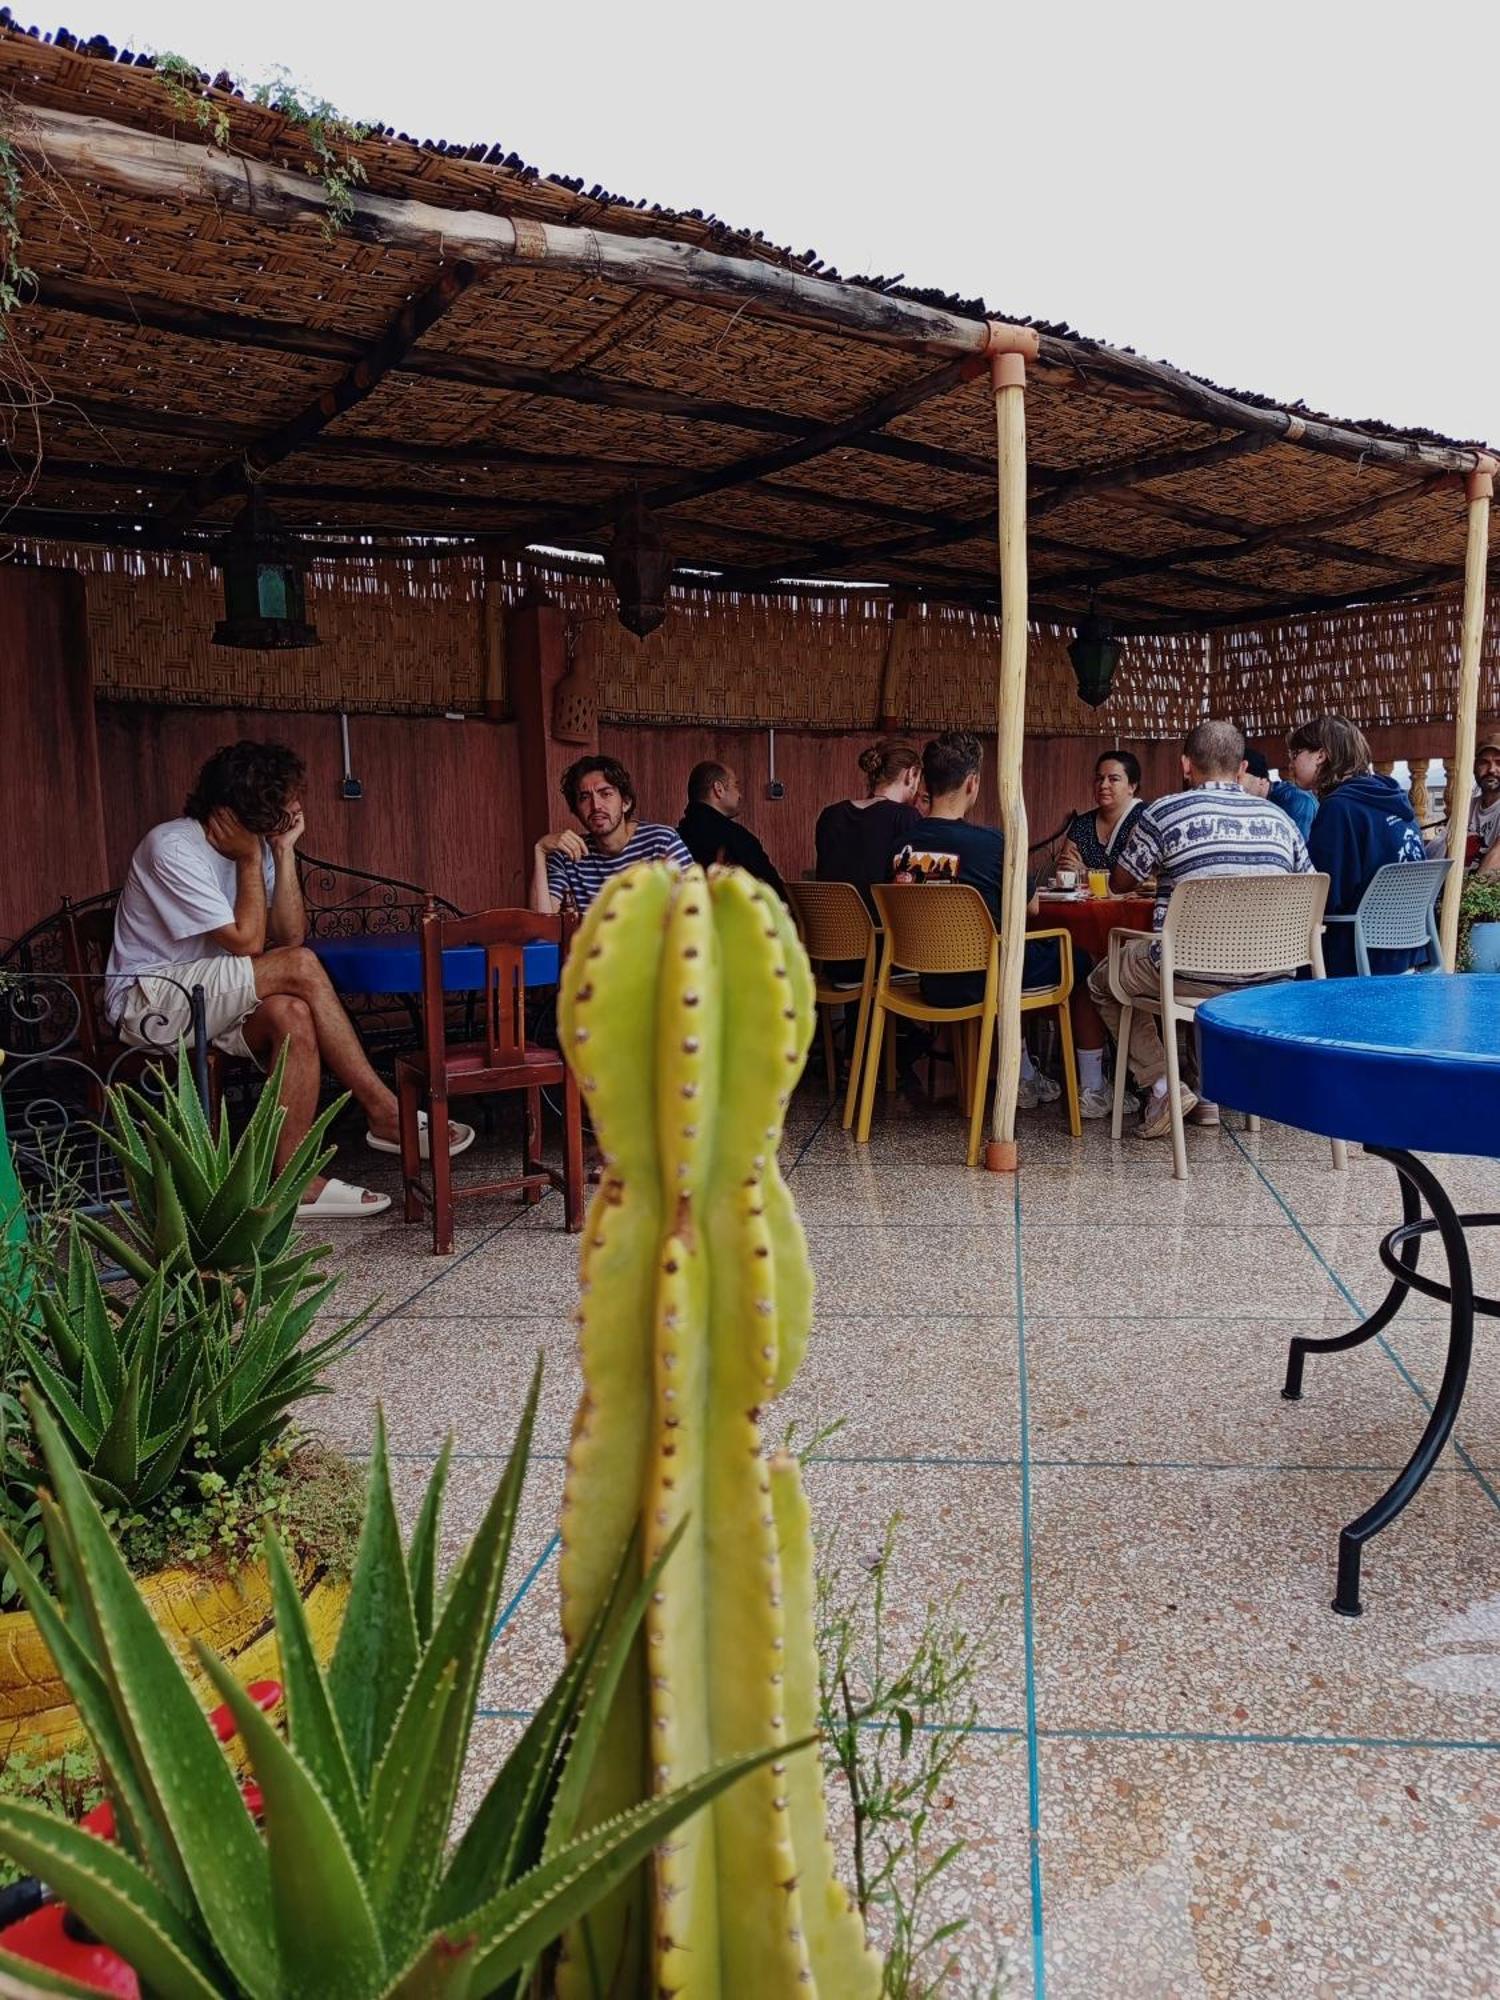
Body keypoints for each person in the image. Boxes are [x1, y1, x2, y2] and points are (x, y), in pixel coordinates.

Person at [106, 741, 473, 1220]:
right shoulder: (172, 846)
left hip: (214, 999)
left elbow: (291, 932)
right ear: (234, 812)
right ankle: (384, 1110)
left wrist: (283, 849)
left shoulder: (258, 843)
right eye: (282, 806)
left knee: (292, 1014)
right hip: (152, 1002)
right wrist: (251, 861)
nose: (295, 809)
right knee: (298, 966)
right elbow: (249, 944)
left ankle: (292, 1180)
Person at [1087, 719, 1312, 1138]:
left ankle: (1162, 1084)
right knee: (1192, 966)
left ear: (1186, 764)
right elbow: (1309, 889)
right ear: (1241, 766)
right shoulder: (1281, 821)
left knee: (1105, 979)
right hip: (1272, 978)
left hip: (1189, 972)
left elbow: (1120, 882)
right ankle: (1209, 1095)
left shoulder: (1165, 811)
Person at [895, 732, 1113, 1118]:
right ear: (972, 783)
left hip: (929, 982)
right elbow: (1030, 909)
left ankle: (1026, 1074)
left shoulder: (902, 843)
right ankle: (1093, 1087)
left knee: (1019, 958)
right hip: (987, 978)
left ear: (927, 782)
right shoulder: (992, 843)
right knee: (1079, 961)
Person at [1284, 715, 1427, 974]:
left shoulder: (1341, 809)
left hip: (1357, 955)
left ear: (1321, 755)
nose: (1290, 763)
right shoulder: (1394, 799)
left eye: (1296, 753)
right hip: (1407, 949)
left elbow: (1323, 897)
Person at [532, 754, 692, 915]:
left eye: (605, 794)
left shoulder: (662, 843)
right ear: (576, 810)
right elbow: (541, 926)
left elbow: (693, 915)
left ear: (625, 802)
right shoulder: (568, 855)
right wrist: (540, 850)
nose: (595, 806)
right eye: (585, 797)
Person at [814, 741, 924, 905]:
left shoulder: (830, 815)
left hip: (827, 926)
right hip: (880, 927)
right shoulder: (906, 817)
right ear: (911, 774)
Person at [677, 762, 786, 897]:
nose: (739, 795)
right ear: (719, 789)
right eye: (736, 785)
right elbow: (773, 893)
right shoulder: (738, 839)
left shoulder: (674, 838)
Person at [1055, 749, 1148, 877]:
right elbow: (1066, 871)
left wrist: (1086, 872)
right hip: (1085, 897)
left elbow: (1133, 879)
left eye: (1113, 779)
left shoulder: (1146, 818)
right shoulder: (1083, 824)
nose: (1103, 785)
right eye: (1099, 778)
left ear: (1132, 786)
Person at [1241, 746, 1318, 840]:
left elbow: (1298, 848)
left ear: (1261, 780)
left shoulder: (1295, 800)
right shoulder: (1260, 803)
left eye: (1238, 778)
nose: (1232, 784)